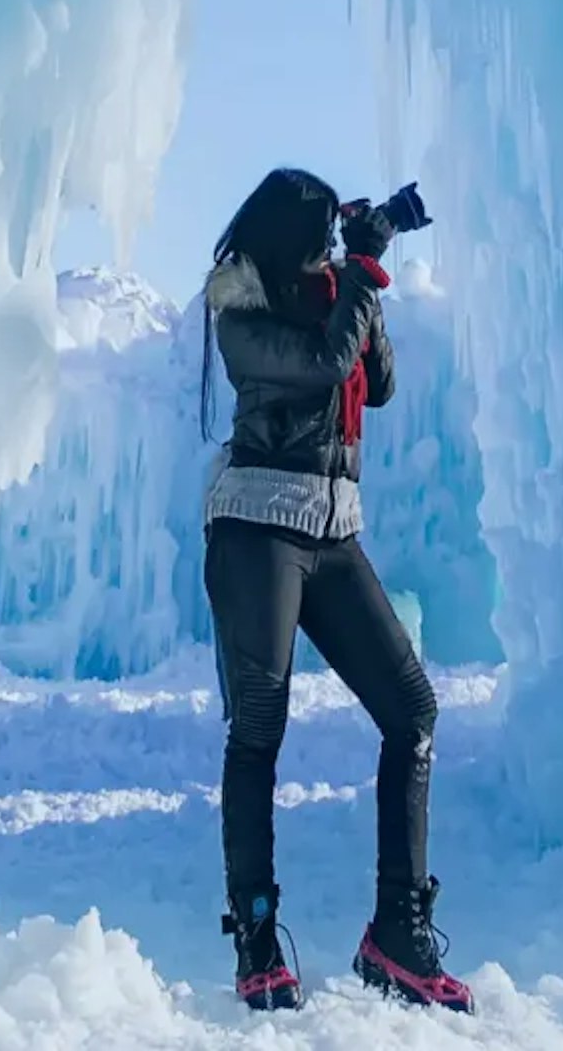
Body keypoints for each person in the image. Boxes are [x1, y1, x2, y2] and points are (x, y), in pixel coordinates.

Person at [197, 167, 472, 1015]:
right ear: (288, 236)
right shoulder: (239, 308)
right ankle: (255, 931)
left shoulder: (331, 291)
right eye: (320, 237)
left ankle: (396, 929)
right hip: (258, 528)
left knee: (412, 711)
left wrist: (363, 275)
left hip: (332, 529)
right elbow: (320, 365)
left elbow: (373, 380)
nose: (330, 251)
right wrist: (360, 271)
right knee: (261, 723)